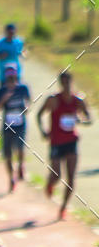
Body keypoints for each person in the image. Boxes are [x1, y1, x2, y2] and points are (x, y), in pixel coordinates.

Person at [37, 71, 91, 221]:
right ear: (61, 83)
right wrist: (43, 131)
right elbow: (39, 115)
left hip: (71, 141)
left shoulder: (78, 100)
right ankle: (50, 184)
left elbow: (89, 118)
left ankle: (63, 207)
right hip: (56, 142)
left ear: (71, 82)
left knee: (71, 178)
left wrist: (80, 120)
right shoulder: (53, 100)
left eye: (68, 82)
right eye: (64, 82)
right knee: (56, 175)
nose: (66, 85)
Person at [0, 66, 30, 191]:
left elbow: (28, 102)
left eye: (13, 77)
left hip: (20, 124)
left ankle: (21, 166)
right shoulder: (2, 90)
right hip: (7, 125)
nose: (11, 79)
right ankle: (11, 178)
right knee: (8, 154)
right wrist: (4, 99)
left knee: (20, 148)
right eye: (9, 77)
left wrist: (26, 106)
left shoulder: (23, 88)